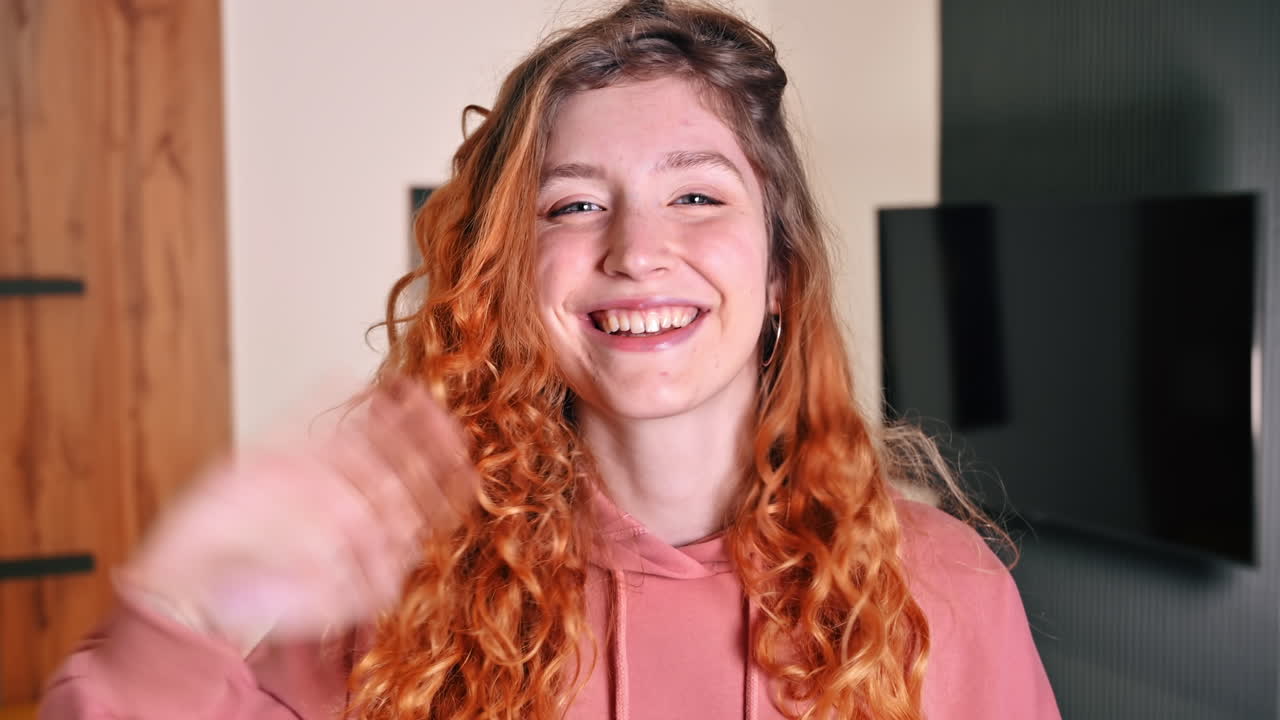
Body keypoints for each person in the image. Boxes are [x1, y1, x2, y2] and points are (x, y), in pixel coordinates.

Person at [41, 1, 1060, 718]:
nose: (634, 249)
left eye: (696, 195)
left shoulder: (942, 593)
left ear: (782, 271)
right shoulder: (409, 596)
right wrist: (189, 607)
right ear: (516, 280)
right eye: (572, 205)